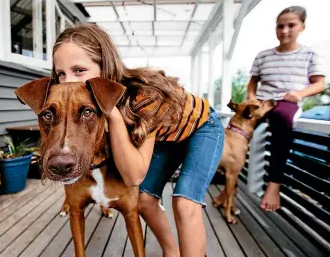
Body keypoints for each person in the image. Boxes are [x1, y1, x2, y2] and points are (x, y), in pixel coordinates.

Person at [52, 24, 224, 257]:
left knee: (185, 203)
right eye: (61, 73)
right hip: (163, 135)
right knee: (143, 199)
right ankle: (171, 252)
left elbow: (133, 176)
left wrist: (112, 113)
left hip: (202, 126)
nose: (68, 82)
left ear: (106, 66)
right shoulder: (85, 103)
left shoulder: (142, 98)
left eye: (79, 70)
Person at [247, 6, 325, 211]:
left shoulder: (310, 54)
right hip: (262, 103)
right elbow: (253, 82)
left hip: (286, 103)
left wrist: (299, 94)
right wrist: (251, 99)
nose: (284, 30)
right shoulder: (263, 55)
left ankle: (273, 185)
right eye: (280, 26)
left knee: (282, 125)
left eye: (291, 25)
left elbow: (320, 84)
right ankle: (227, 183)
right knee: (235, 132)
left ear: (302, 26)